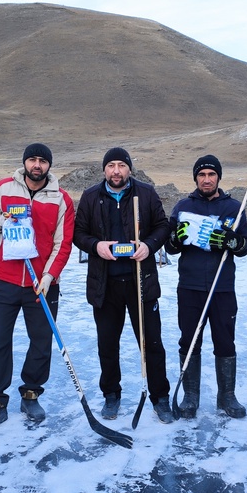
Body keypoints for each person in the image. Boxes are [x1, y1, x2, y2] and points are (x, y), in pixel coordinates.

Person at [0, 143, 74, 435]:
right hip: (4, 280)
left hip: (40, 284)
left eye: (43, 161)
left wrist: (49, 276)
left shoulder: (61, 199)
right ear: (25, 163)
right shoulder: (3, 189)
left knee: (41, 341)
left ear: (48, 166)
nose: (37, 165)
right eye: (32, 159)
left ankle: (31, 394)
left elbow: (63, 242)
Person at [73, 147, 174, 424]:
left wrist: (149, 246)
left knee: (152, 343)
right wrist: (97, 245)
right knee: (108, 344)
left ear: (129, 168)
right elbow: (78, 234)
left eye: (121, 165)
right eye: (111, 165)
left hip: (140, 282)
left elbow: (163, 227)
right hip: (104, 285)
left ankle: (160, 397)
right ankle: (111, 394)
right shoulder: (91, 196)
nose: (116, 170)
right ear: (104, 169)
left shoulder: (146, 193)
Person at [165, 155, 247, 418]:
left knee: (225, 340)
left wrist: (233, 241)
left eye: (211, 175)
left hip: (222, 286)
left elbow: (246, 247)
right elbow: (169, 247)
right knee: (189, 341)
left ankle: (227, 396)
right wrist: (175, 239)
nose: (206, 179)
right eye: (202, 175)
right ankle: (191, 397)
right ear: (195, 178)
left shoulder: (234, 207)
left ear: (218, 178)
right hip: (190, 286)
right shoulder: (182, 206)